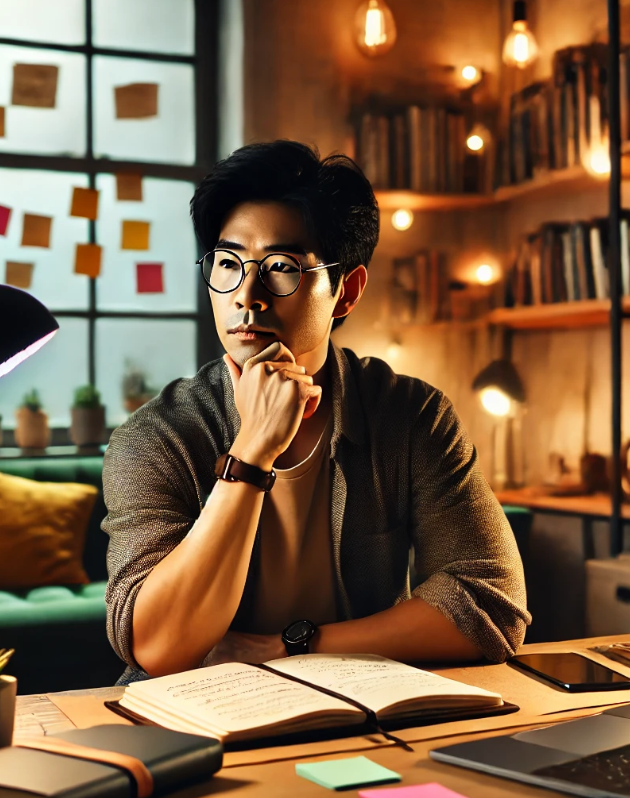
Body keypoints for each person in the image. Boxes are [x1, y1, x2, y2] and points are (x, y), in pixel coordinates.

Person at [102, 141, 529, 683]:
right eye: (228, 264)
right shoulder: (157, 435)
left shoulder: (411, 415)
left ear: (346, 291)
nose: (247, 295)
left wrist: (289, 646)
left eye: (280, 267)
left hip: (359, 708)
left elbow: (490, 602)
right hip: (191, 726)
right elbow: (157, 648)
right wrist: (253, 450)